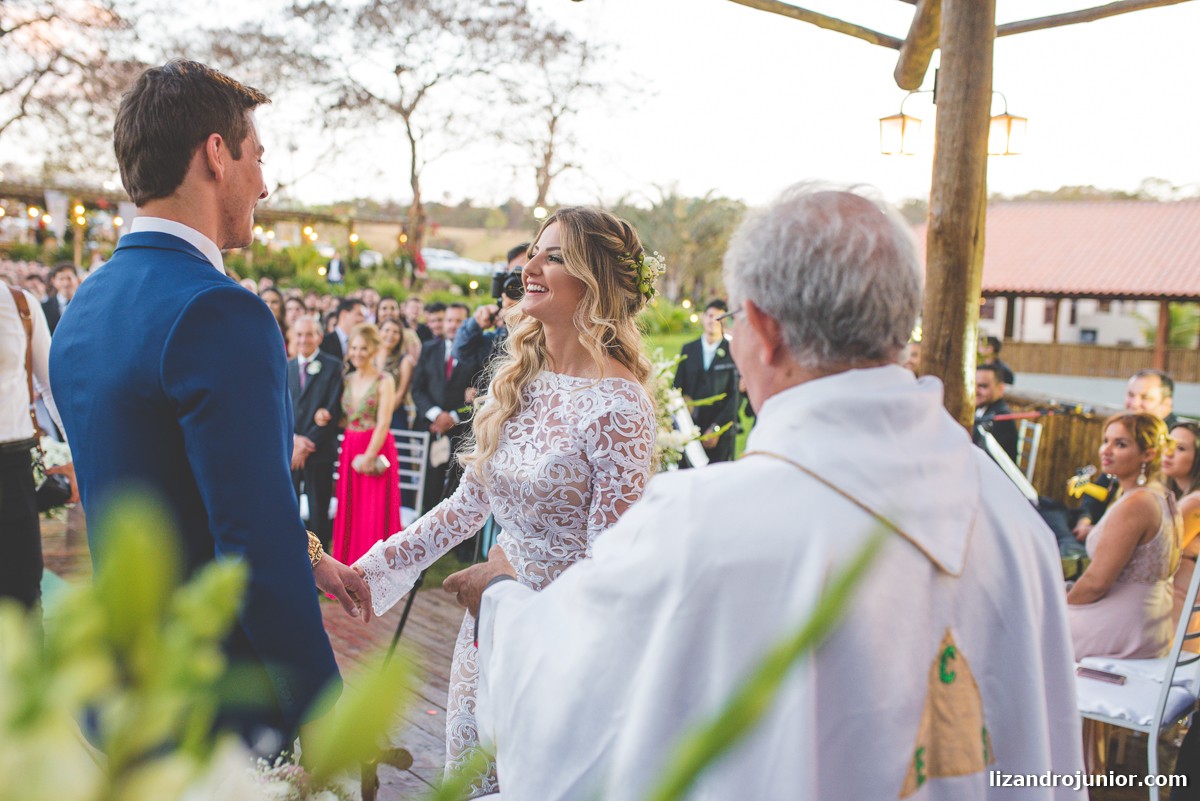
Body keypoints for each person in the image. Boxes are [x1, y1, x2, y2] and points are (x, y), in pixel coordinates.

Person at [446, 183, 1084, 800]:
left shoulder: (699, 523)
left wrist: (500, 599)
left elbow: (580, 709)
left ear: (763, 328)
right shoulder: (1017, 525)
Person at [48, 60, 370, 752]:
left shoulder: (83, 306)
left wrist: (309, 548)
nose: (265, 182)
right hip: (213, 703)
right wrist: (326, 715)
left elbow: (168, 480)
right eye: (258, 155)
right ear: (216, 155)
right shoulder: (220, 311)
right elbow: (248, 544)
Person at [354, 207, 658, 795]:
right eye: (534, 253)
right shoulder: (520, 380)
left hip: (554, 643)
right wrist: (372, 570)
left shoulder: (620, 407)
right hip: (482, 630)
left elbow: (608, 568)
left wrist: (508, 595)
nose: (531, 266)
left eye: (556, 257)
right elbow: (467, 508)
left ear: (595, 280)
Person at [1069, 413, 1181, 659]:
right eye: (1106, 441)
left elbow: (1096, 584)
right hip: (1152, 623)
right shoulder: (1162, 495)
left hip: (1125, 628)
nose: (1105, 451)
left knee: (1028, 622)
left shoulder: (1137, 504)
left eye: (1120, 444)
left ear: (1148, 454)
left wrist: (1059, 604)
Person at [1, 282, 77, 611]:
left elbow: (52, 386)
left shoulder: (19, 303)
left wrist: (78, 456)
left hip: (13, 466)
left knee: (23, 592)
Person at [1073, 368, 1181, 541]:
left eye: (1145, 398)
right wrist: (1084, 521)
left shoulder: (1176, 443)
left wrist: (1098, 531)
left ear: (1166, 404)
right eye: (1131, 395)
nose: (1134, 403)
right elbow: (1100, 486)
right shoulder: (1127, 429)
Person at [331, 323, 402, 564]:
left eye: (363, 349)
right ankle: (348, 569)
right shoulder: (347, 379)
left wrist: (369, 456)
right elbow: (344, 416)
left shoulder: (385, 380)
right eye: (354, 348)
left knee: (372, 512)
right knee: (350, 511)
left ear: (373, 350)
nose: (357, 353)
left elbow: (384, 422)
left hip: (375, 446)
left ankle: (374, 572)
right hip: (350, 446)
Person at [411, 301, 476, 512]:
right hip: (432, 429)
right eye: (449, 320)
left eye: (459, 321)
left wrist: (455, 416)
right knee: (430, 484)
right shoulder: (429, 349)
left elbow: (479, 398)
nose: (452, 325)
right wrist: (436, 416)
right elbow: (417, 390)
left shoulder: (478, 353)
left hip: (462, 432)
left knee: (457, 488)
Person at [289, 315, 344, 549]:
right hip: (290, 451)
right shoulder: (286, 366)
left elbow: (332, 409)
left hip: (319, 451)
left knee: (318, 510)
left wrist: (307, 443)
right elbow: (278, 406)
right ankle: (289, 554)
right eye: (299, 334)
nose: (304, 339)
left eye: (309, 334)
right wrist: (292, 441)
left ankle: (319, 565)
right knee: (287, 507)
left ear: (319, 337)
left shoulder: (333, 366)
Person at [673, 298, 740, 464]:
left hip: (720, 431)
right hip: (690, 428)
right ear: (704, 317)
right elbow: (677, 387)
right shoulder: (689, 348)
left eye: (719, 317)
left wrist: (717, 428)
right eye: (710, 316)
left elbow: (736, 396)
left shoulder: (733, 351)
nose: (713, 321)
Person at [1163, 422, 1200, 653]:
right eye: (1167, 444)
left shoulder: (1194, 502)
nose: (1169, 452)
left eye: (1181, 449)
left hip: (1179, 616)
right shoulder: (1180, 497)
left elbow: (1164, 555)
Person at [972, 363, 1018, 464]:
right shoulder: (981, 409)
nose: (975, 390)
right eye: (973, 384)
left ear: (1000, 388)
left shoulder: (1002, 419)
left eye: (983, 386)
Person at [377, 318, 417, 430]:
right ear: (379, 332)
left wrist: (381, 416)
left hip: (393, 413)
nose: (390, 335)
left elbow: (400, 394)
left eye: (396, 332)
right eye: (387, 330)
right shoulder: (370, 357)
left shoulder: (405, 360)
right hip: (368, 412)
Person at [320, 297, 366, 362]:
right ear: (344, 314)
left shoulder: (364, 343)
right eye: (359, 314)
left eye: (364, 316)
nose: (362, 319)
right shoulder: (323, 342)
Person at [42, 262, 79, 335]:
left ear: (77, 279)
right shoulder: (44, 307)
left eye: (69, 278)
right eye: (61, 279)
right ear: (53, 281)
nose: (65, 283)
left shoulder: (86, 305)